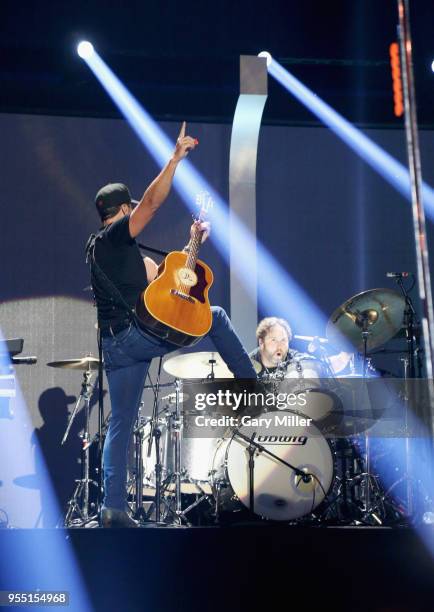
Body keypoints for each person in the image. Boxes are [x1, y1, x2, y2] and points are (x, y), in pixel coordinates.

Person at [87, 123, 257, 527]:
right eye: (132, 209)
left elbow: (161, 289)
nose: (138, 215)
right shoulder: (113, 237)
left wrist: (191, 243)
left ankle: (113, 508)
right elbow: (151, 204)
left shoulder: (111, 251)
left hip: (115, 345)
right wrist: (174, 160)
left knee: (121, 422)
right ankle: (252, 390)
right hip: (133, 337)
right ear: (122, 212)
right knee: (215, 316)